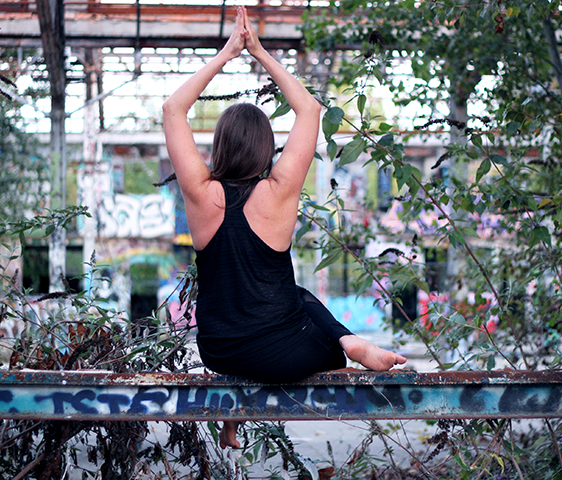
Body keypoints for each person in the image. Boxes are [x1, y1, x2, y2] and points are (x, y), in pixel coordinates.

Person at [162, 7, 407, 449]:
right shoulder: (278, 193)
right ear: (266, 149)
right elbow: (309, 109)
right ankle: (352, 344)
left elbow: (173, 108)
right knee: (311, 317)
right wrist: (259, 52)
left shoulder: (200, 194)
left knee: (294, 297)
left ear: (219, 145)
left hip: (218, 350)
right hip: (284, 355)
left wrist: (225, 55)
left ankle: (233, 416)